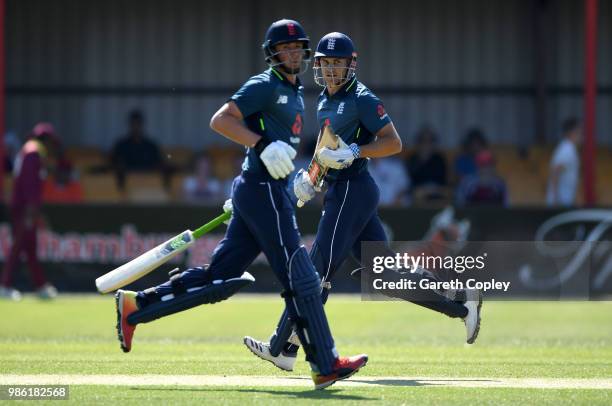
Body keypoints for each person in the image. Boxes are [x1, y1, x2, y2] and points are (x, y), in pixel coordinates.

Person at [113, 19, 367, 390]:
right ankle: (324, 363)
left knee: (220, 279)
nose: (293, 53)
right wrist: (259, 148)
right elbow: (222, 120)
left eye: (298, 48)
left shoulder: (296, 92)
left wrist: (248, 186)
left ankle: (136, 307)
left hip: (262, 191)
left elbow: (275, 146)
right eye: (286, 49)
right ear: (272, 53)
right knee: (302, 275)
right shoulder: (264, 84)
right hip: (262, 190)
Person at [242, 32, 482, 373]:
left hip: (353, 190)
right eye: (326, 63)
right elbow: (327, 149)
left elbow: (394, 143)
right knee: (386, 278)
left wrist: (357, 150)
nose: (331, 70)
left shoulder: (363, 99)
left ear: (350, 65)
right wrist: (310, 180)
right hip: (341, 189)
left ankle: (283, 347)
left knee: (314, 271)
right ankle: (461, 303)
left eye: (338, 63)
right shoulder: (324, 100)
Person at [0, 123, 59, 300]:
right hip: (24, 209)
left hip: (24, 207)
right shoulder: (33, 153)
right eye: (50, 143)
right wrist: (32, 212)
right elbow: (30, 185)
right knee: (18, 247)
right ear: (45, 140)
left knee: (30, 248)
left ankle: (41, 286)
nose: (51, 147)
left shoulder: (29, 150)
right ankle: (5, 286)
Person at [110, 110, 170, 192]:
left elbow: (159, 162)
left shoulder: (151, 145)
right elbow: (114, 163)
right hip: (128, 179)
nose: (136, 126)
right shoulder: (121, 145)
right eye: (133, 123)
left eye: (138, 123)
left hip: (149, 179)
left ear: (142, 124)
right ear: (130, 124)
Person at [406, 127, 448, 202]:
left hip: (437, 190)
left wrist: (432, 189)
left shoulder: (439, 159)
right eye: (423, 141)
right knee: (417, 194)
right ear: (418, 143)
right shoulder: (412, 159)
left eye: (429, 141)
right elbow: (409, 182)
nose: (426, 144)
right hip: (418, 192)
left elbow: (443, 182)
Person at [547, 118, 581, 206]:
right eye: (579, 131)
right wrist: (555, 198)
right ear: (572, 132)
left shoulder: (570, 148)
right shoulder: (566, 149)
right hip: (561, 202)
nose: (581, 135)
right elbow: (556, 171)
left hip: (566, 199)